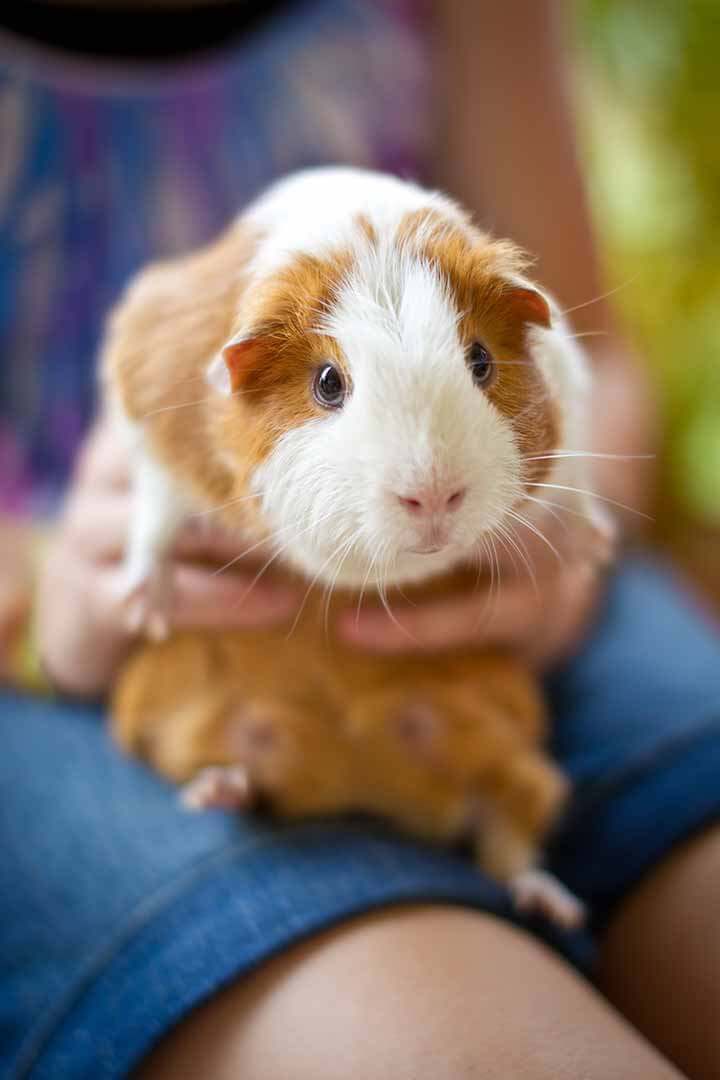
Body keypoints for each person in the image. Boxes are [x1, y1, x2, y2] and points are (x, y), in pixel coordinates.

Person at [2, 2, 720, 1077]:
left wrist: (562, 518)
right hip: (81, 675)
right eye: (329, 386)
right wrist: (52, 603)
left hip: (515, 596)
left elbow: (588, 351)